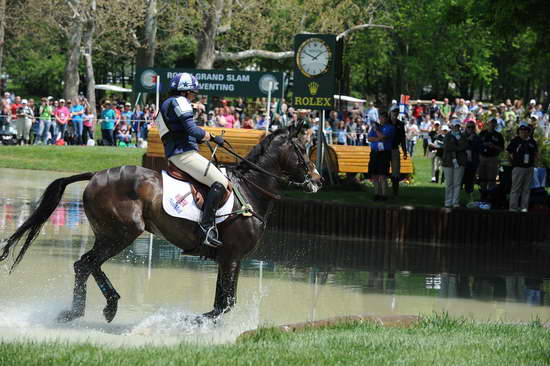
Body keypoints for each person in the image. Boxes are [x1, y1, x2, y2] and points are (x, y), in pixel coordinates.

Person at [158, 72, 227, 248]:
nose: (194, 96)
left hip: (177, 153)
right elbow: (192, 130)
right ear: (186, 92)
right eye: (193, 92)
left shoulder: (166, 104)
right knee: (221, 182)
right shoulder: (180, 101)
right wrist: (212, 137)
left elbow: (180, 131)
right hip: (184, 154)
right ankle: (206, 229)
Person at [507, 123, 538, 212]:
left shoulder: (532, 141)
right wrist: (512, 163)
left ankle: (524, 208)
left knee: (526, 189)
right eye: (521, 131)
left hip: (529, 168)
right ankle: (513, 208)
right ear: (519, 132)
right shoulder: (515, 140)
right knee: (515, 188)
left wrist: (534, 163)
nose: (524, 133)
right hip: (518, 168)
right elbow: (508, 152)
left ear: (528, 132)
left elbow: (536, 153)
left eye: (525, 131)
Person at [367, 111, 394, 201]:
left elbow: (384, 137)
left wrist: (377, 131)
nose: (381, 119)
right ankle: (376, 193)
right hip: (374, 152)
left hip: (384, 153)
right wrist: (378, 138)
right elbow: (369, 138)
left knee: (383, 175)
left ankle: (384, 194)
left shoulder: (390, 127)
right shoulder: (375, 127)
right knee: (374, 175)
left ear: (386, 119)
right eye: (380, 117)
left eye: (383, 117)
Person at [442, 120, 468, 208]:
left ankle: (455, 202)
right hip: (448, 162)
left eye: (458, 126)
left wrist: (457, 143)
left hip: (460, 162)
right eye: (455, 126)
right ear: (452, 126)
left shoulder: (462, 136)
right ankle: (448, 202)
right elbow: (446, 147)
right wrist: (458, 148)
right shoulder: (448, 136)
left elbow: (464, 145)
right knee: (449, 183)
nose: (456, 127)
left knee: (457, 183)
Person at [478, 118, 504, 199]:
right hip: (482, 157)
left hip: (493, 158)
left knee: (492, 179)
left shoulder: (498, 135)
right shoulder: (483, 133)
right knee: (482, 178)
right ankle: (483, 196)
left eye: (494, 123)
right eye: (491, 123)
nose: (492, 125)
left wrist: (494, 146)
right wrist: (484, 144)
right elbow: (477, 144)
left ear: (496, 125)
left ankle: (491, 196)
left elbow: (502, 149)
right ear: (488, 123)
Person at [462, 121, 483, 203]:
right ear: (466, 128)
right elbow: (459, 147)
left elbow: (480, 149)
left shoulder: (477, 138)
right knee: (460, 182)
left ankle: (469, 199)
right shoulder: (462, 136)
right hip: (462, 163)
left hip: (473, 163)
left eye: (472, 127)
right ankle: (458, 199)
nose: (470, 129)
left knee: (470, 182)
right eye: (469, 127)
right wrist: (468, 140)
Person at [389, 106, 407, 196]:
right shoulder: (386, 123)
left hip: (395, 149)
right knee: (383, 171)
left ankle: (395, 191)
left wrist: (404, 151)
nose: (395, 113)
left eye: (397, 112)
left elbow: (403, 139)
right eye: (394, 112)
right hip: (385, 149)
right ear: (390, 112)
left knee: (396, 171)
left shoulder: (400, 124)